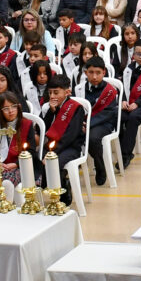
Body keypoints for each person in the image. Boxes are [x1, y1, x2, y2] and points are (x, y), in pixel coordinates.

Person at [41, 74, 87, 206]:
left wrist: (53, 152)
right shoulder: (49, 107)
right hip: (52, 145)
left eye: (56, 92)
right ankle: (49, 188)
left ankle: (63, 191)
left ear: (67, 92)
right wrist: (51, 112)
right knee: (37, 162)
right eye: (50, 92)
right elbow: (44, 129)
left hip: (70, 147)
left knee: (55, 163)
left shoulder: (76, 108)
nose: (52, 96)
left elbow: (71, 136)